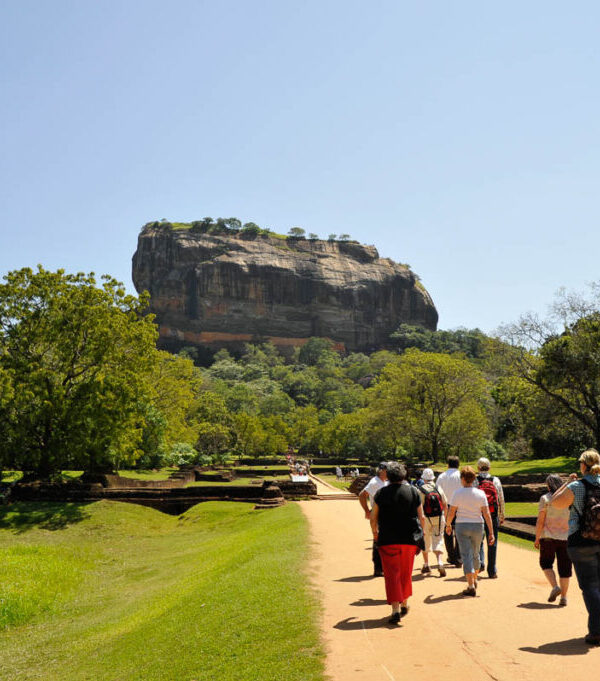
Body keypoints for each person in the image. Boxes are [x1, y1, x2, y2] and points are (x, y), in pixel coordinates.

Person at [549, 449, 600, 646]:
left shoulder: (577, 486)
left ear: (584, 465)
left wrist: (567, 483)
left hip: (581, 541)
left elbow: (555, 503)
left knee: (590, 587)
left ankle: (596, 631)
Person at [370, 461, 425, 624]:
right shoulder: (414, 492)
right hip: (409, 539)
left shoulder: (381, 493)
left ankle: (395, 608)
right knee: (406, 572)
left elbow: (373, 518)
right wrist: (421, 536)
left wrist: (375, 534)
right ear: (404, 475)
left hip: (388, 538)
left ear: (388, 476)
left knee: (391, 574)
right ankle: (405, 603)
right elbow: (421, 517)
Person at [445, 466, 495, 596]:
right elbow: (487, 514)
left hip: (462, 525)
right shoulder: (480, 493)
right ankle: (475, 577)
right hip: (478, 525)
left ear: (462, 479)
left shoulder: (457, 493)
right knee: (476, 553)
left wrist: (448, 524)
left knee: (466, 555)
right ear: (473, 479)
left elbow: (452, 512)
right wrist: (491, 532)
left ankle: (471, 584)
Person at [534, 474, 571, 606]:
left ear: (548, 485)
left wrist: (537, 538)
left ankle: (555, 587)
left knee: (546, 563)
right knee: (565, 568)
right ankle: (564, 597)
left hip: (548, 537)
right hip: (566, 537)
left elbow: (540, 521)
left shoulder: (545, 498)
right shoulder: (568, 500)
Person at [475, 457, 505, 578]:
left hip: (479, 515)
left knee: (479, 540)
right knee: (493, 541)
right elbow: (500, 498)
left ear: (478, 468)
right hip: (492, 515)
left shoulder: (475, 481)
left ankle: (481, 562)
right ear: (489, 467)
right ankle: (492, 570)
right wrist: (501, 515)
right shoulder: (495, 480)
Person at [359, 463, 389, 576]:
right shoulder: (375, 482)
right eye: (387, 470)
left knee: (384, 540)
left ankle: (383, 566)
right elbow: (362, 495)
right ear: (381, 471)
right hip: (378, 514)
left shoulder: (385, 481)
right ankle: (378, 568)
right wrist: (367, 511)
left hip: (385, 514)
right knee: (377, 540)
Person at [419, 468, 447, 577]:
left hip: (426, 518)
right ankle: (440, 562)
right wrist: (446, 518)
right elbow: (445, 504)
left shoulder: (420, 489)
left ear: (424, 478)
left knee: (425, 540)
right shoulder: (438, 488)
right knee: (438, 538)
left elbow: (419, 507)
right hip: (439, 517)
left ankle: (426, 564)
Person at [436, 456, 462, 566]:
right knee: (460, 531)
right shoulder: (461, 476)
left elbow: (437, 491)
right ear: (458, 464)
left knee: (448, 531)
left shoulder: (442, 476)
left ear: (448, 464)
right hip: (460, 507)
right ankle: (458, 556)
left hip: (446, 506)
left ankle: (451, 556)